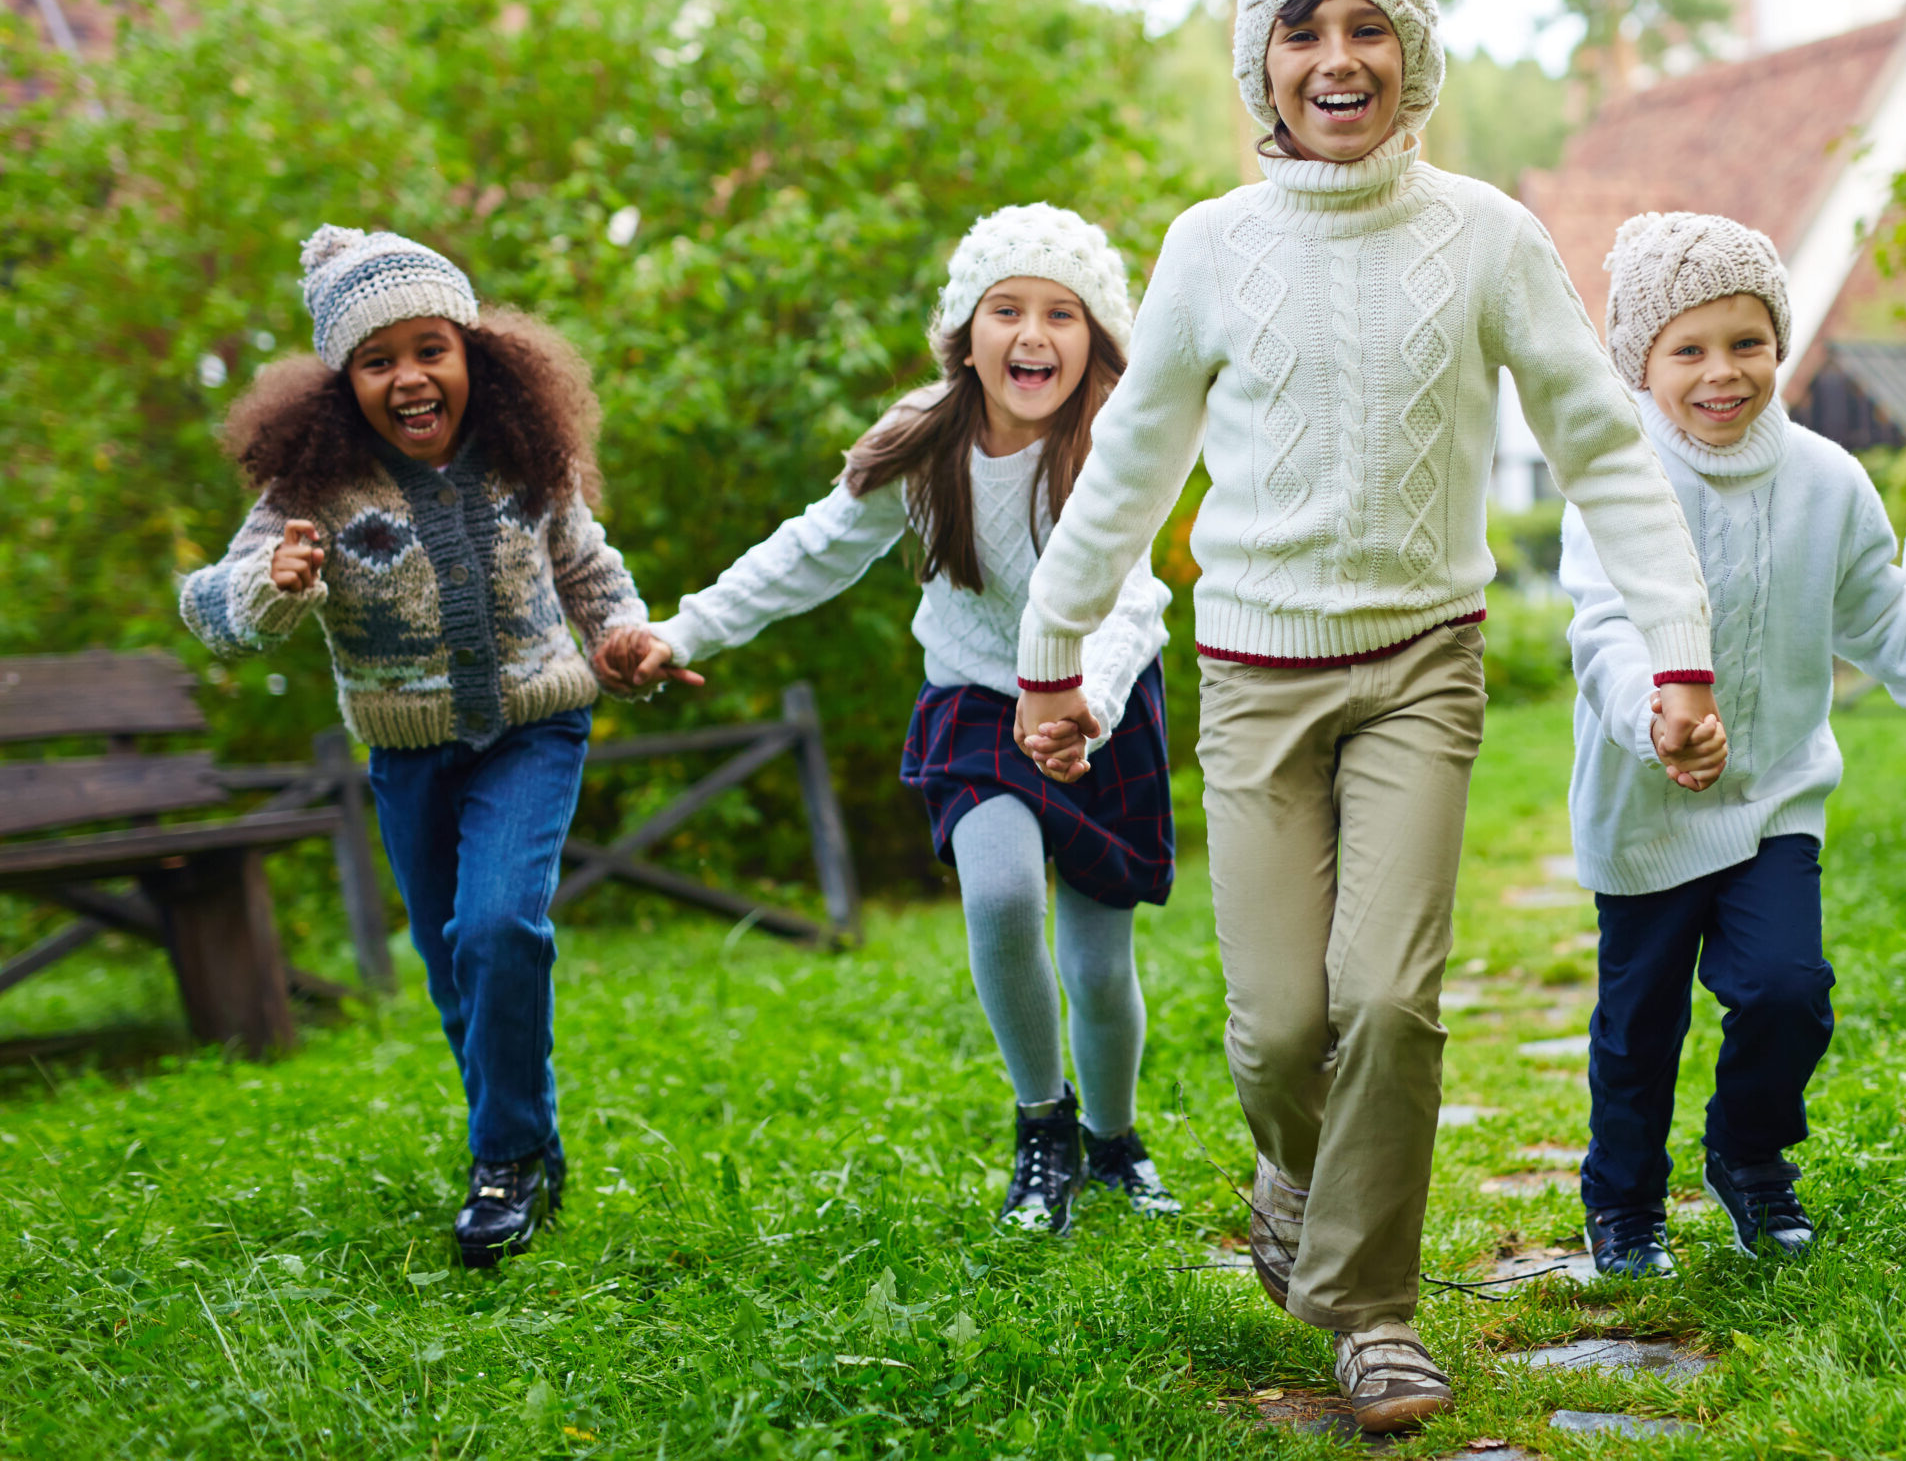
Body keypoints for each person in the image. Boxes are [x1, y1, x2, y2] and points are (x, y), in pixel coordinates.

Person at [1009, 0, 1721, 1436]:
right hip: (1255, 676)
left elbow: (1602, 442)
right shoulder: (1211, 248)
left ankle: (1371, 1311)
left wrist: (1680, 647)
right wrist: (1051, 654)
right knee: (1279, 1026)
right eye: (1304, 31)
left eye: (1368, 28)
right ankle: (1297, 1172)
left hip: (1420, 666)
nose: (1338, 60)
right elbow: (1130, 466)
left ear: (1415, 54)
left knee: (1388, 999)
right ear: (1262, 66)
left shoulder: (1489, 237)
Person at [601, 204, 1180, 1235]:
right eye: (1006, 309)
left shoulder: (1115, 445)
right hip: (975, 703)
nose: (1033, 334)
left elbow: (1135, 598)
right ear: (966, 331)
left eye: (1061, 313)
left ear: (1096, 338)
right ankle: (1042, 1129)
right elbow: (809, 550)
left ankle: (1114, 1142)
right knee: (1001, 893)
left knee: (1099, 968)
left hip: (1097, 705)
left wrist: (1086, 705)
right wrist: (684, 629)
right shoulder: (924, 444)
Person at [1562, 212, 1906, 1277]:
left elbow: (1897, 628)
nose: (1722, 372)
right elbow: (1604, 629)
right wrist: (1654, 716)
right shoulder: (1619, 481)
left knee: (1788, 992)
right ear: (1640, 364)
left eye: (1747, 342)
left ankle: (1750, 1158)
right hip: (1646, 809)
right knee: (1639, 1027)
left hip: (1774, 797)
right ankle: (1622, 1203)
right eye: (1688, 350)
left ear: (1781, 343)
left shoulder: (1825, 480)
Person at [180, 226, 652, 1267]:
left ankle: (505, 1163)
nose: (409, 377)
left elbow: (589, 569)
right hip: (408, 751)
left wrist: (625, 637)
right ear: (341, 382)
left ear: (474, 351)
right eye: (376, 360)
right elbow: (209, 605)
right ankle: (528, 1145)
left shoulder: (528, 458)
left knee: (497, 928)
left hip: (533, 726)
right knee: (451, 970)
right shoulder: (314, 488)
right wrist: (272, 585)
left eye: (430, 348)